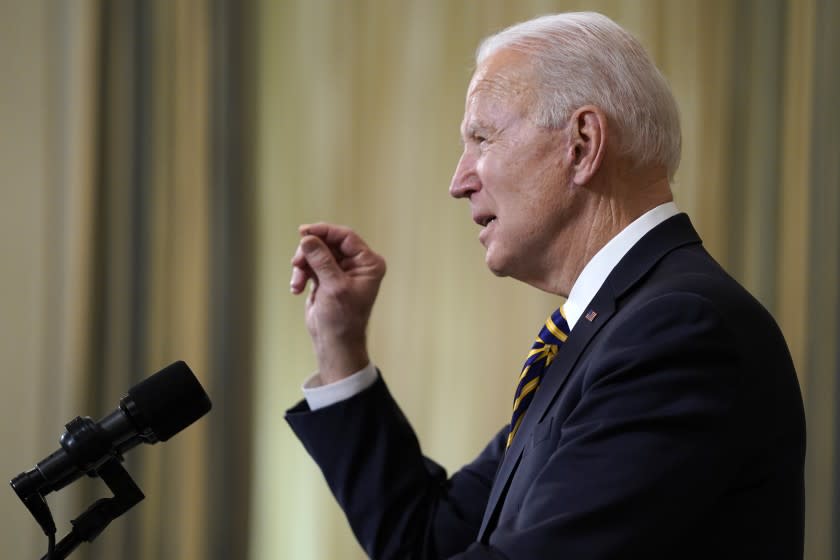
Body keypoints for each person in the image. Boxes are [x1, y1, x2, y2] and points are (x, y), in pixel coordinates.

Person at [286, 12, 805, 560]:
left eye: (481, 138)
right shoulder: (602, 332)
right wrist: (340, 348)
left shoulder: (679, 330)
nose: (458, 181)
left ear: (582, 144)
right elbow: (430, 541)